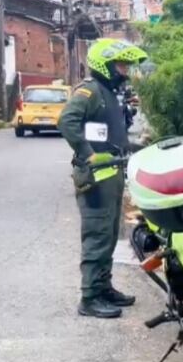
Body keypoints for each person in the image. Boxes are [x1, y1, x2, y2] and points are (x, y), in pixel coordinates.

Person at [58, 38, 148, 319]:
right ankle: (89, 297)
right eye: (120, 65)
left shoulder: (111, 93)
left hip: (112, 174)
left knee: (109, 235)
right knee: (97, 236)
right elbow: (66, 121)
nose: (124, 70)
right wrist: (86, 152)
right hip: (96, 176)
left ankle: (103, 287)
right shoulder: (90, 90)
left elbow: (110, 131)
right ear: (105, 65)